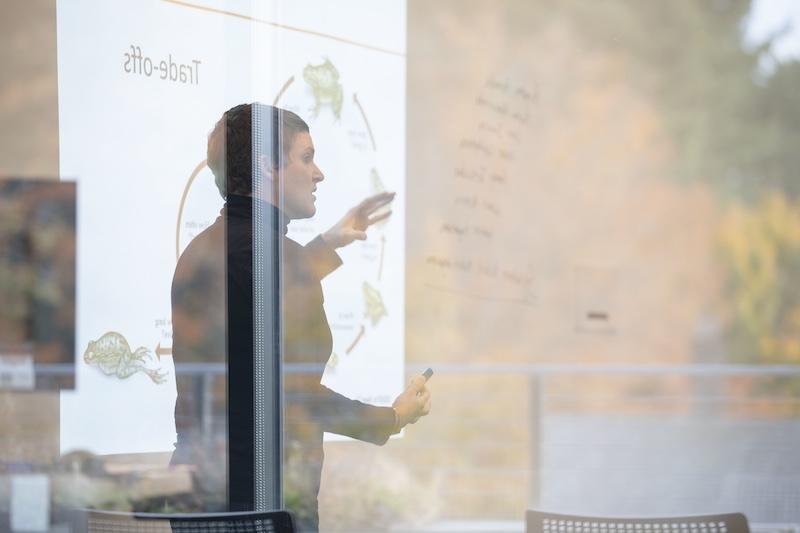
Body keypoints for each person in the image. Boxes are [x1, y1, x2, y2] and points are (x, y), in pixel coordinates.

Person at [170, 103, 431, 530]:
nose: (319, 173)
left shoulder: (199, 252)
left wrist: (328, 244)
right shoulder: (276, 259)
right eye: (307, 158)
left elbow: (253, 302)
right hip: (264, 501)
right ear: (268, 165)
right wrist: (394, 417)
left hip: (200, 499)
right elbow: (296, 396)